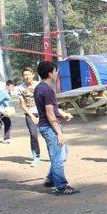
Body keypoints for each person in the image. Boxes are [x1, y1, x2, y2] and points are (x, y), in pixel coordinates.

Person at [34, 61, 78, 195]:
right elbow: (49, 112)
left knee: (63, 151)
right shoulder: (47, 89)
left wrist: (63, 114)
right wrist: (59, 132)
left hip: (46, 126)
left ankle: (51, 179)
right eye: (55, 71)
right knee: (58, 157)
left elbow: (52, 108)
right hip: (49, 127)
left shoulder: (39, 87)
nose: (57, 73)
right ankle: (61, 187)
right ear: (49, 73)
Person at [17, 66, 41, 166]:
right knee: (33, 135)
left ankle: (60, 150)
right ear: (22, 77)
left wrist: (39, 116)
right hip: (29, 113)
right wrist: (32, 116)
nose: (26, 76)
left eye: (28, 74)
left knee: (51, 132)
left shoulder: (39, 85)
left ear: (33, 75)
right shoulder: (20, 88)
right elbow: (22, 104)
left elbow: (42, 101)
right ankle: (36, 157)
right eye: (24, 75)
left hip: (42, 112)